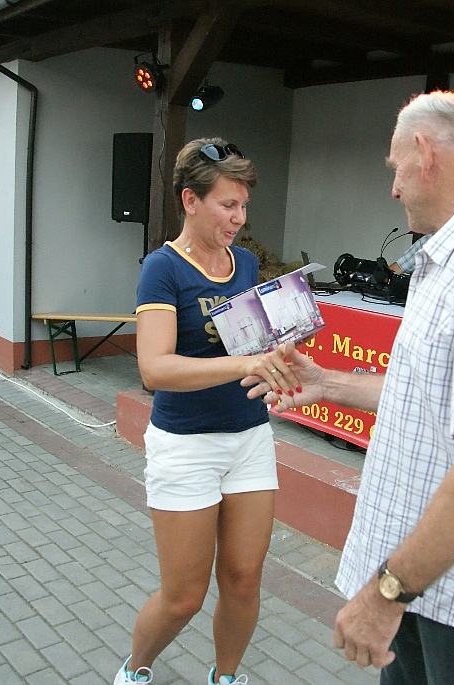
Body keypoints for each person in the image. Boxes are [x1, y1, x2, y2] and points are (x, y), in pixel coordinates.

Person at [246, 91, 454, 684]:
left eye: (394, 168)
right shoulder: (453, 255)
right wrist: (327, 383)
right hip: (425, 580)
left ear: (424, 152)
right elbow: (430, 397)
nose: (393, 188)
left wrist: (384, 596)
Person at [112, 138, 301, 685]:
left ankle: (227, 678)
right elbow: (155, 369)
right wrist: (246, 361)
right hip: (186, 446)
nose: (240, 218)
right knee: (184, 597)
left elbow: (254, 338)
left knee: (243, 579)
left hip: (248, 440)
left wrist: (283, 349)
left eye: (244, 206)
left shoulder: (243, 262)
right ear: (190, 200)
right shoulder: (161, 269)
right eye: (227, 205)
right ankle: (135, 670)